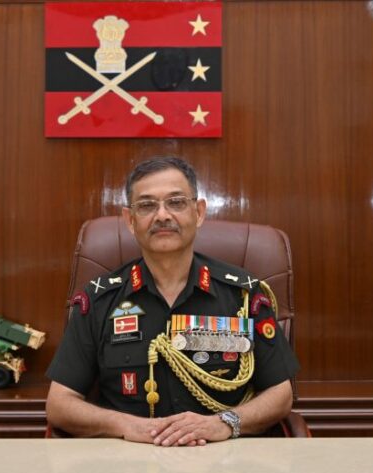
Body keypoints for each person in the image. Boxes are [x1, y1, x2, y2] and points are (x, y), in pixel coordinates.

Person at [45, 156, 299, 446]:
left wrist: (223, 424)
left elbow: (281, 394)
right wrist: (127, 425)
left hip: (223, 457)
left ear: (199, 212)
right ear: (130, 220)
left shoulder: (243, 295)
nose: (162, 215)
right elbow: (60, 404)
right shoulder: (100, 300)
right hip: (128, 457)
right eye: (147, 205)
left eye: (176, 203)